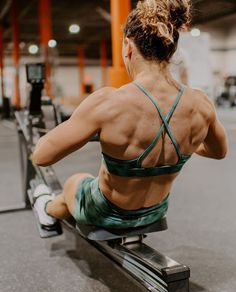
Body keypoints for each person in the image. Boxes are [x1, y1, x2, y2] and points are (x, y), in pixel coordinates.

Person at [32, 0, 228, 231]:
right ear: (172, 50)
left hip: (106, 212)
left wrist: (91, 129)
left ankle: (45, 209)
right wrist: (182, 141)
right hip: (156, 211)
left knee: (74, 183)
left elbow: (41, 156)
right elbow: (218, 152)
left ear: (127, 47)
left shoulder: (108, 103)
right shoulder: (201, 103)